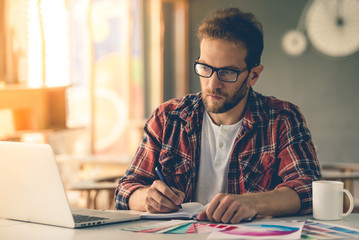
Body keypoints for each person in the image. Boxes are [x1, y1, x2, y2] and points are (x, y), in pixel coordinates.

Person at [114, 7, 321, 224]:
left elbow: (309, 188)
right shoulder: (167, 118)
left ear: (253, 75)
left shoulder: (282, 119)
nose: (212, 84)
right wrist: (147, 198)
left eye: (227, 72)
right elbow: (125, 190)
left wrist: (253, 203)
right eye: (205, 67)